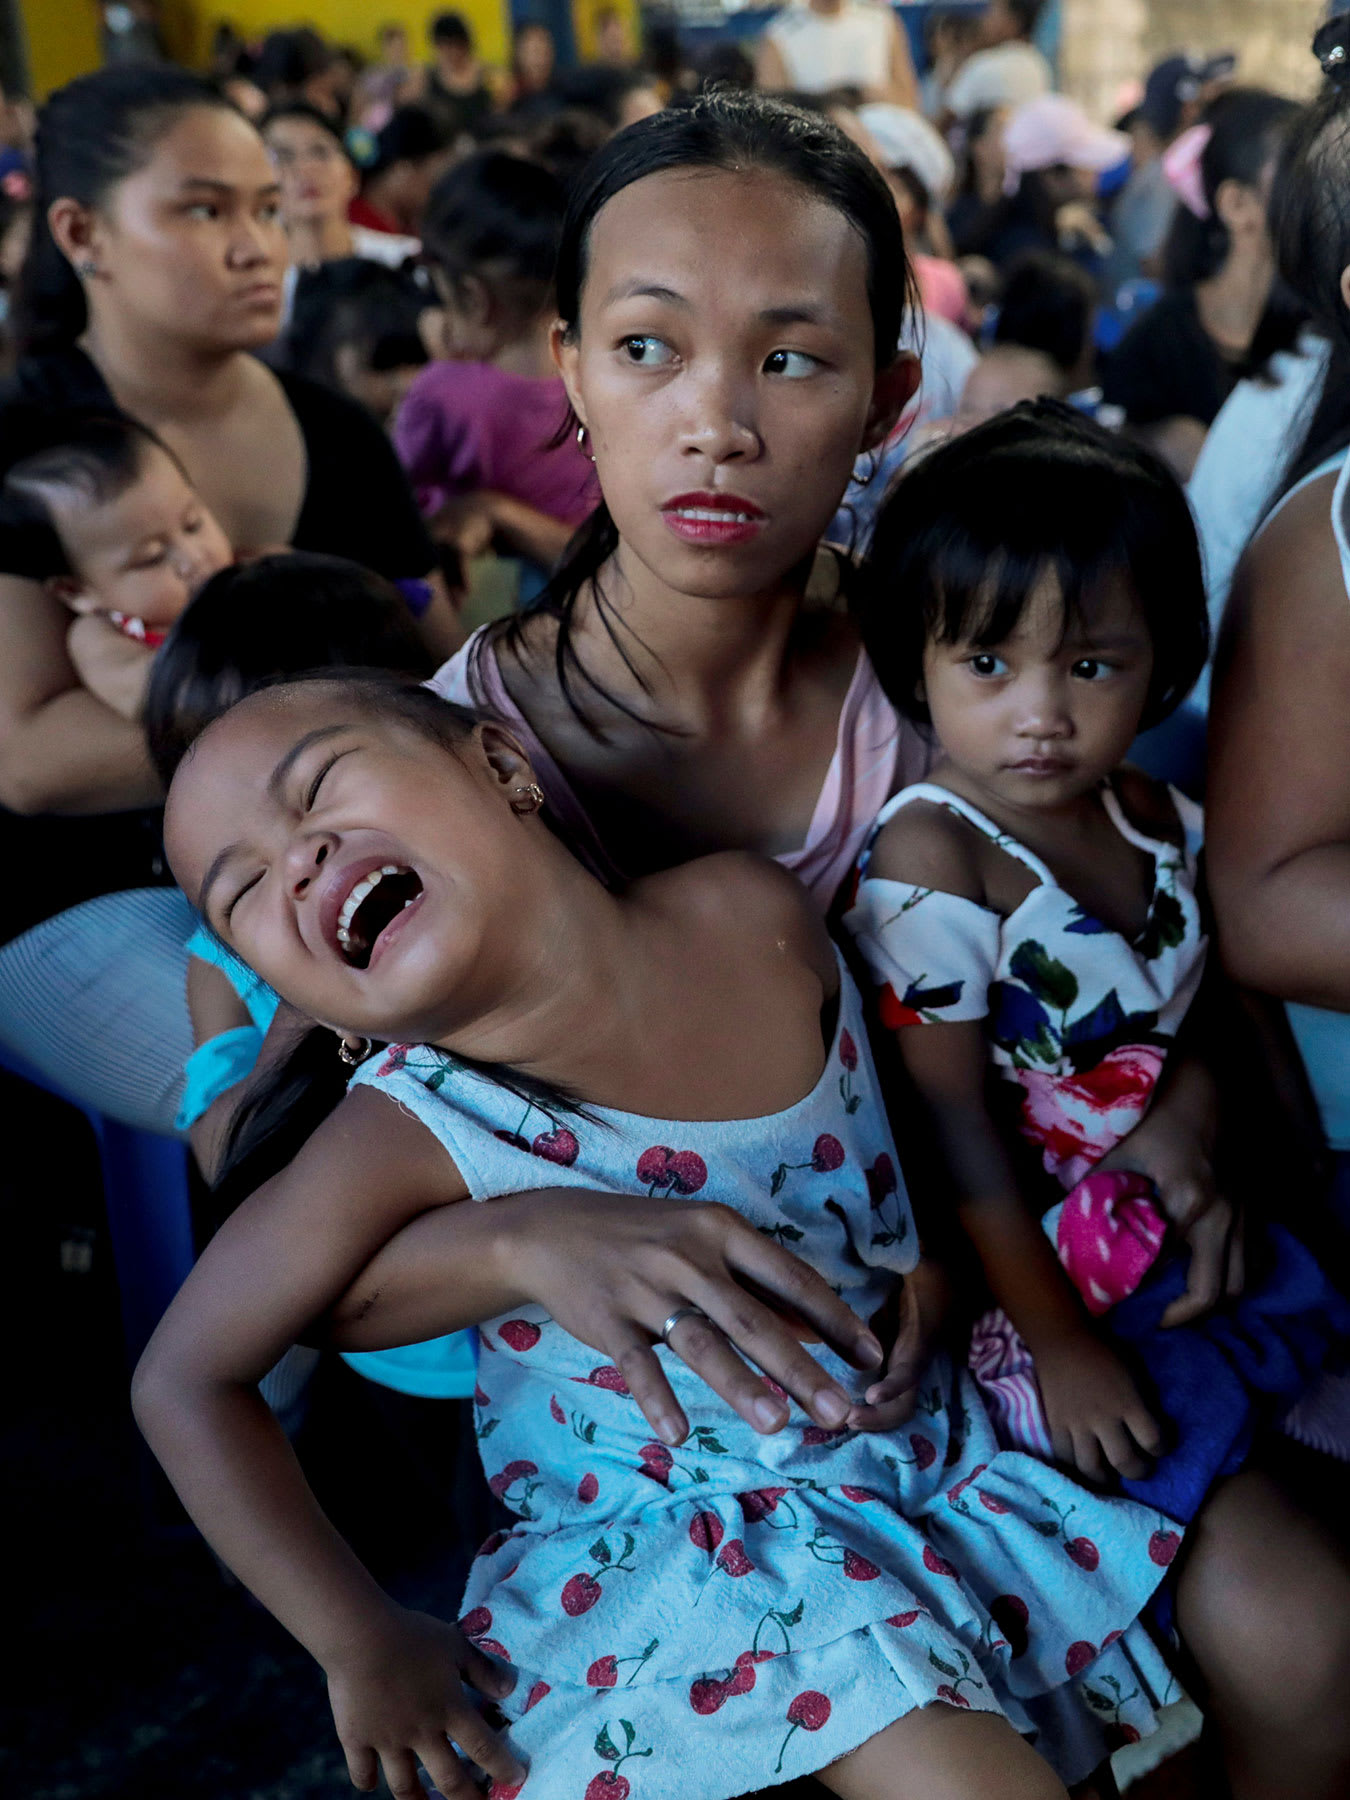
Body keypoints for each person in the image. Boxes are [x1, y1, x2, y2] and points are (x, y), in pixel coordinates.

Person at [281, 94, 1350, 1800]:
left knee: (1310, 1645)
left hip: (1017, 1328)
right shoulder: (453, 779)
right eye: (648, 348)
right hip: (680, 1448)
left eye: (792, 361)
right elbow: (311, 1266)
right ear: (565, 365)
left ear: (888, 398)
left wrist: (1189, 1111)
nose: (713, 422)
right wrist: (539, 1243)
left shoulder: (970, 678)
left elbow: (1146, 932)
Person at [137, 669, 1190, 1800]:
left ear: (501, 767)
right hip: (697, 1551)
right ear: (315, 1002)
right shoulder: (405, 1130)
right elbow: (184, 1379)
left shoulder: (755, 914)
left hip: (927, 1453)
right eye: (243, 891)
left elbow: (881, 1138)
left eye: (320, 789)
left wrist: (930, 1263)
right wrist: (357, 1641)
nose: (292, 860)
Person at [846, 401, 1347, 1526]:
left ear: (1159, 659)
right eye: (988, 662)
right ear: (915, 661)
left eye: (1089, 664)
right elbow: (954, 1128)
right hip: (1059, 1282)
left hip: (1199, 1210)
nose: (1042, 714)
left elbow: (1225, 1000)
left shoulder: (1151, 813)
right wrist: (1060, 1346)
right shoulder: (935, 856)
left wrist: (1297, 1170)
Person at [0, 66, 456, 1132]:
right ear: (82, 233)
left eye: (265, 207)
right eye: (203, 210)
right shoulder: (28, 452)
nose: (260, 245)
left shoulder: (336, 430)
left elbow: (435, 664)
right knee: (323, 1111)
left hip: (338, 861)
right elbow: (28, 757)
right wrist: (336, 709)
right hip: (81, 892)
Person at [394, 151, 598, 582]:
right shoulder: (607, 369)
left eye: (441, 291)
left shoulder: (444, 392)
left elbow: (396, 509)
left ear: (472, 298)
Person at [1101, 87, 1303, 480]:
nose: (1324, 195)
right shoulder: (1153, 348)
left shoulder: (1323, 337)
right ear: (1237, 205)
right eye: (1301, 174)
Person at [0, 409, 232, 668]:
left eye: (193, 525)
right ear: (76, 591)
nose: (196, 557)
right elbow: (161, 700)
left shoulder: (252, 572)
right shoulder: (103, 643)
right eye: (151, 558)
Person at [1102, 51, 1237, 298]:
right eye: (1204, 105)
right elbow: (1155, 266)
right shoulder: (1164, 180)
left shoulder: (1162, 173)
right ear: (1188, 111)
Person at [263, 101, 421, 281]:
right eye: (283, 157)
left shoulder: (406, 262)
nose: (305, 169)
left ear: (352, 176)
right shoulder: (257, 283)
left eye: (320, 152)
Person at [756, 0, 920, 109]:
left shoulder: (882, 21)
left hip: (885, 144)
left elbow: (910, 102)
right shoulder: (780, 35)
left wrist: (872, 97)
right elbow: (774, 112)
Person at [941, 0, 1051, 125]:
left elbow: (943, 123)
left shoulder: (983, 65)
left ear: (1013, 21)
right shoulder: (1039, 66)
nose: (985, 18)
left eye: (994, 11)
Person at [349, 105, 452, 239]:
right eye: (434, 179)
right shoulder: (349, 228)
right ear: (402, 170)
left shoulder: (412, 230)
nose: (437, 193)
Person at [415, 12, 494, 144]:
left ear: (466, 44)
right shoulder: (425, 79)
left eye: (456, 45)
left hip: (483, 146)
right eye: (445, 46)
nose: (452, 52)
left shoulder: (487, 75)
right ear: (436, 47)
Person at [351, 21, 416, 132]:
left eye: (401, 46)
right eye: (393, 47)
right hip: (375, 128)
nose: (397, 52)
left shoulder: (416, 74)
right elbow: (358, 105)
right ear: (384, 48)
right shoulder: (372, 75)